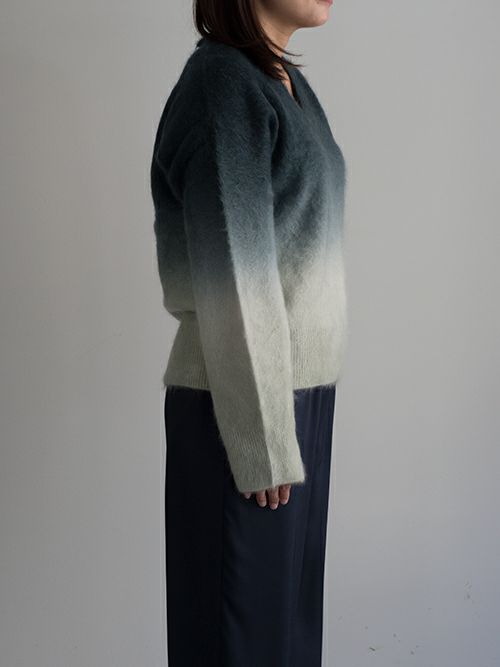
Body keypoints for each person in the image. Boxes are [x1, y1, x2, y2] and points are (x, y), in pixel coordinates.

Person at [150, 0, 348, 664]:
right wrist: (260, 438)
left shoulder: (280, 82)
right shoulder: (222, 86)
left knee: (286, 638)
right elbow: (234, 269)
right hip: (242, 406)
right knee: (240, 641)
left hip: (298, 398)